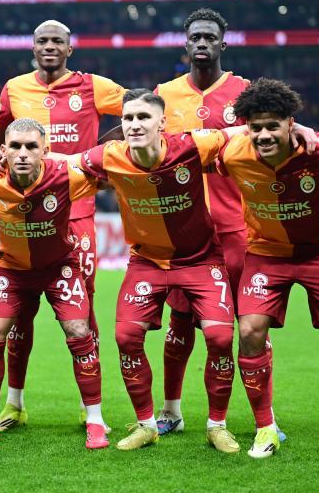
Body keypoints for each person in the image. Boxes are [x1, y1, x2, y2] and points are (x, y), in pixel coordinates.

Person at [0, 19, 124, 431]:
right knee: (18, 313)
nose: (50, 46)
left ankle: (89, 407)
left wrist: (100, 149)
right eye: (43, 41)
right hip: (26, 212)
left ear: (69, 49)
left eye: (58, 41)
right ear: (33, 47)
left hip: (78, 211)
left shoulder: (93, 86)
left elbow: (138, 110)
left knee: (83, 311)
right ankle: (14, 402)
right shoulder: (14, 88)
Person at [77, 88, 240, 451]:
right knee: (126, 337)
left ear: (162, 123)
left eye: (143, 117)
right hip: (147, 262)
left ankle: (217, 425)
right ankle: (146, 424)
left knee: (219, 338)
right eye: (128, 118)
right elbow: (66, 162)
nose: (134, 125)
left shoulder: (193, 145)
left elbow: (239, 132)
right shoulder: (109, 155)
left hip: (200, 259)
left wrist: (300, 130)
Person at [215, 78, 319, 460]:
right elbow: (194, 144)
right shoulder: (233, 153)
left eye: (273, 126)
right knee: (249, 331)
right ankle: (265, 428)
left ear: (290, 123)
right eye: (256, 127)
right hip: (266, 253)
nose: (264, 135)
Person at [0, 118, 108, 450]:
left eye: (31, 147)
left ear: (45, 150)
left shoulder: (66, 175)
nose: (23, 154)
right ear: (3, 151)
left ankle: (95, 420)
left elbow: (113, 173)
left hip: (60, 267)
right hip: (12, 270)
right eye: (15, 147)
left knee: (79, 330)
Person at [152, 7, 253, 445]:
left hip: (236, 227)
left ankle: (264, 417)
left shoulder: (245, 92)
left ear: (222, 44)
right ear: (185, 42)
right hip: (183, 232)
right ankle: (171, 411)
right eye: (196, 37)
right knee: (179, 321)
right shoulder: (164, 94)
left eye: (210, 37)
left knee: (249, 325)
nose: (202, 43)